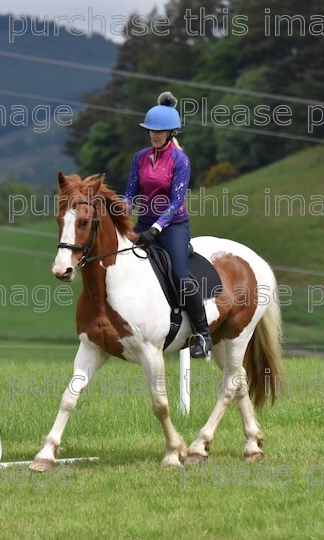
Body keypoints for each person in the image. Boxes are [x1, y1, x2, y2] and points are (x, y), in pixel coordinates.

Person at [124, 91, 213, 359]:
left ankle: (203, 334)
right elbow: (131, 193)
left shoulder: (180, 160)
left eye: (160, 131)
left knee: (181, 278)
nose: (154, 135)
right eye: (151, 130)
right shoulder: (139, 157)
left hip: (173, 226)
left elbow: (176, 201)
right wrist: (119, 211)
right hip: (144, 223)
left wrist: (157, 228)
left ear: (172, 132)